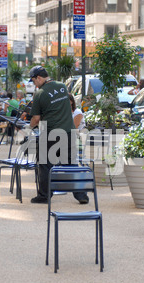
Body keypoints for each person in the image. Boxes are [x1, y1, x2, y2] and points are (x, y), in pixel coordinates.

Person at [27, 65, 89, 204]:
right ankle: (82, 195)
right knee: (71, 163)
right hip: (69, 131)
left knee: (45, 164)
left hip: (51, 133)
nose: (34, 84)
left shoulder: (39, 94)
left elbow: (36, 118)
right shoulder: (62, 87)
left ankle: (44, 196)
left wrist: (28, 128)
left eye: (34, 81)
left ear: (39, 78)